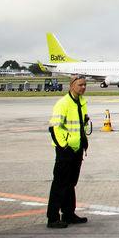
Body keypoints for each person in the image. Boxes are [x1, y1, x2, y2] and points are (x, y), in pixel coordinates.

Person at [46, 75, 91, 228]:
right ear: (72, 86)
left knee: (71, 183)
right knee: (59, 183)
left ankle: (69, 214)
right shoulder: (63, 103)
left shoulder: (82, 102)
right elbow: (54, 127)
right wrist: (63, 146)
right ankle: (52, 218)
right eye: (80, 85)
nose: (83, 87)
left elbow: (81, 123)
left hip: (77, 148)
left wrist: (84, 140)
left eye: (85, 85)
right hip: (66, 150)